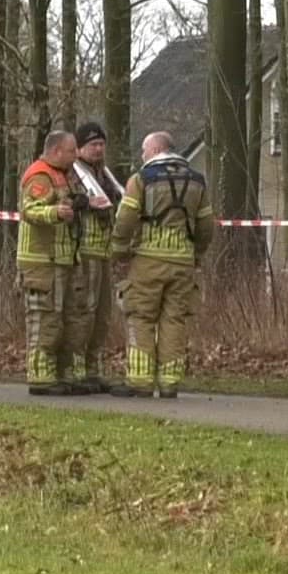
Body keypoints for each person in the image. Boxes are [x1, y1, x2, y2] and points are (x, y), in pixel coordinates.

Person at [110, 131, 215, 398]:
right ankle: (169, 383)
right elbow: (205, 226)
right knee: (174, 321)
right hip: (183, 263)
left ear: (156, 150)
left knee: (141, 317)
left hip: (148, 260)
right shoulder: (197, 181)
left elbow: (125, 219)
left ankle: (141, 382)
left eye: (144, 151)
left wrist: (119, 251)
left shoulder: (141, 179)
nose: (142, 156)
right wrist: (196, 254)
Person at [18, 131, 89, 395]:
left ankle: (63, 374)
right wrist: (55, 212)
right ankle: (40, 377)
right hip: (42, 262)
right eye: (72, 151)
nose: (76, 155)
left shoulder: (67, 175)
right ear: (57, 151)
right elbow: (28, 210)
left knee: (70, 319)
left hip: (66, 259)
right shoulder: (40, 175)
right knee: (45, 318)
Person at [70, 121, 135, 396]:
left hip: (104, 253)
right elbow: (64, 202)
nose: (98, 149)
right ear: (80, 148)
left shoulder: (105, 175)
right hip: (83, 253)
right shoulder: (72, 174)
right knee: (83, 312)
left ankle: (94, 369)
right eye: (92, 145)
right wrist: (85, 203)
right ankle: (76, 370)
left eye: (101, 144)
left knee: (102, 315)